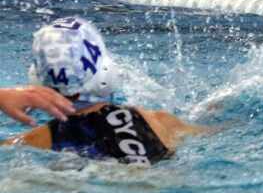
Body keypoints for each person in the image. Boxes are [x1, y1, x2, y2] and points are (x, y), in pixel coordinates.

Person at [2, 17, 205, 164]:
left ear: (38, 81)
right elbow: (209, 132)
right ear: (107, 71)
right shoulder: (159, 121)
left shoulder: (32, 141)